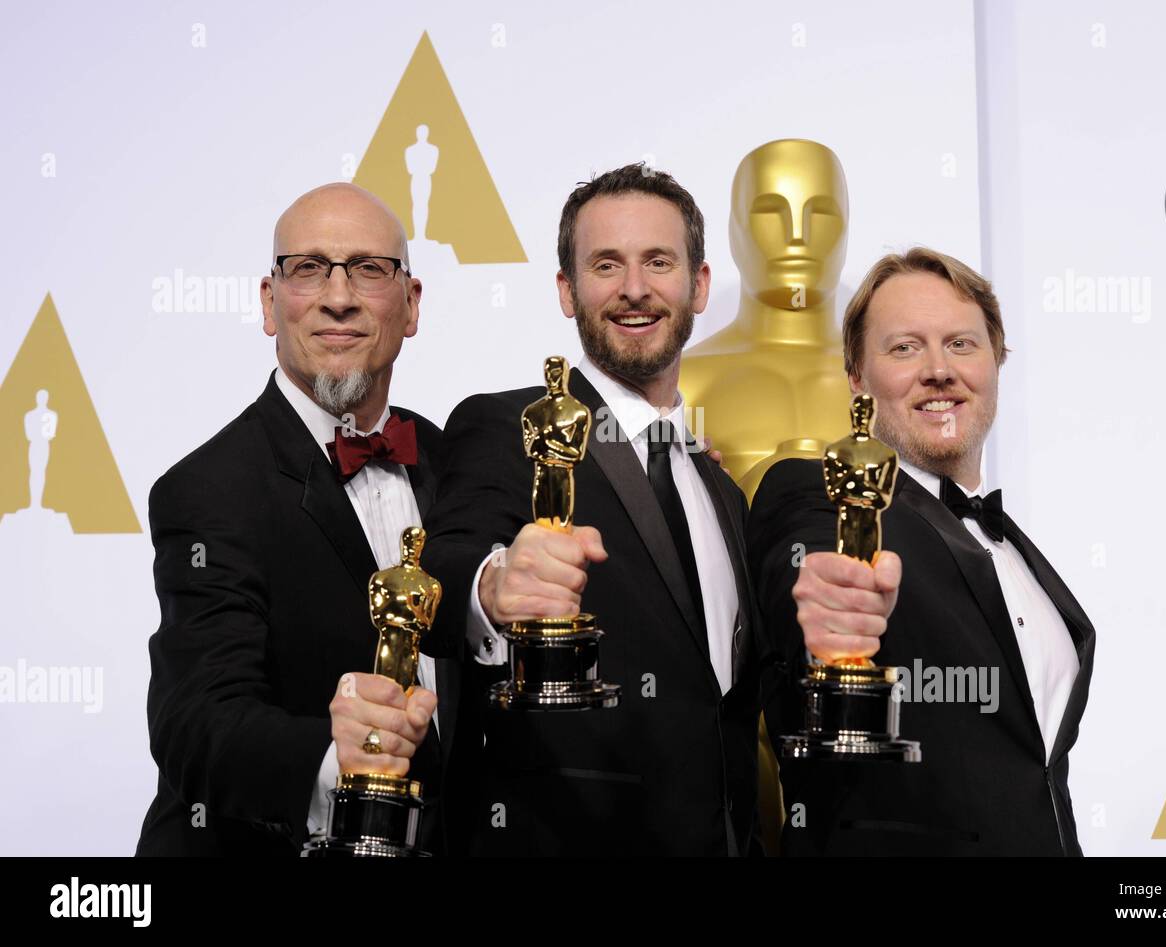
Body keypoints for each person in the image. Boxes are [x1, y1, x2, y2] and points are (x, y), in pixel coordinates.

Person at [425, 164, 765, 855]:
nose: (634, 289)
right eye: (606, 264)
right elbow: (443, 566)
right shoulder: (507, 426)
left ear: (699, 287)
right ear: (566, 290)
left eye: (659, 262)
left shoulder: (721, 492)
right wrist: (493, 585)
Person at [136, 183, 461, 855]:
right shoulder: (206, 489)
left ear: (412, 304)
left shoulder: (455, 463)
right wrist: (336, 756)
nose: (337, 297)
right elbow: (193, 720)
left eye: (370, 269)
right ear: (269, 301)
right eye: (308, 268)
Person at [750, 247, 1096, 855]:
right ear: (856, 376)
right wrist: (828, 605)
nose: (938, 370)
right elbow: (806, 566)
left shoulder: (1010, 545)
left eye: (961, 344)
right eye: (904, 348)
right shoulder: (822, 492)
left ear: (997, 361)